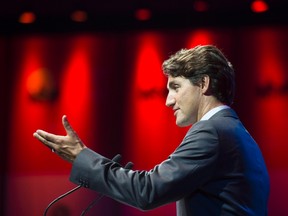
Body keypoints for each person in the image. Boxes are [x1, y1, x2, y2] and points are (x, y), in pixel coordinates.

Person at [33, 45, 270, 215]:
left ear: (204, 84)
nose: (168, 100)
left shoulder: (212, 132)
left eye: (175, 87)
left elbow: (147, 191)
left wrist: (81, 156)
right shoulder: (237, 134)